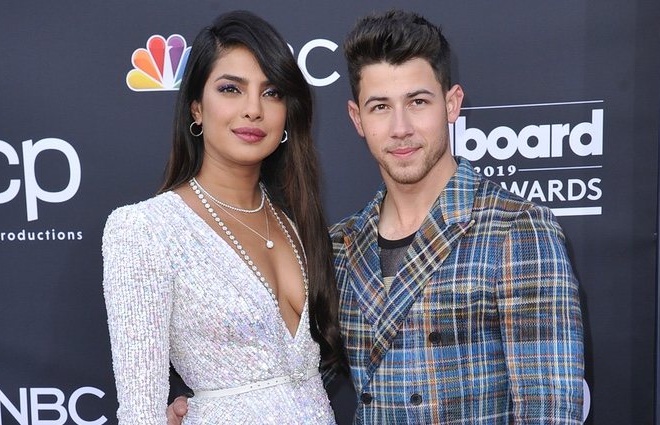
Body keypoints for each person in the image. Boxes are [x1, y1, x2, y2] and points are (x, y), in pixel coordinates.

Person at [169, 9, 584, 424]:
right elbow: (289, 374)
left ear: (452, 104)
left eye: (418, 102)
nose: (400, 127)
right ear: (357, 119)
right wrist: (204, 405)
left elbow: (548, 411)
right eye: (380, 106)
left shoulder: (518, 230)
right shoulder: (338, 246)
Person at [102, 10, 344, 424]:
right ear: (196, 108)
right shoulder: (146, 230)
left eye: (271, 93)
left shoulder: (298, 222)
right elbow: (141, 412)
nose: (253, 109)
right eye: (231, 89)